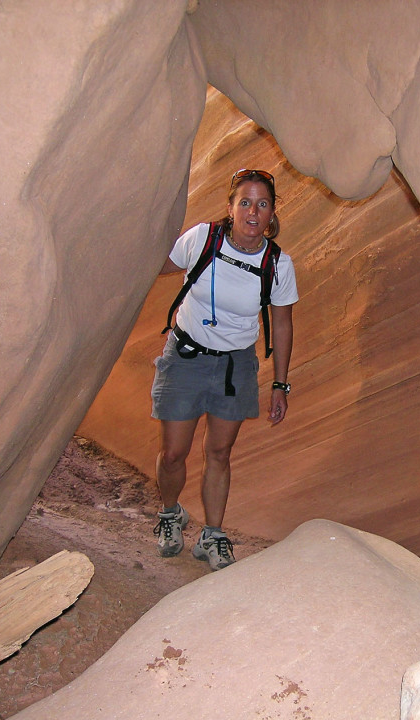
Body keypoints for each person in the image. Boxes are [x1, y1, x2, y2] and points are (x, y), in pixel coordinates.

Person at [150, 168, 298, 570]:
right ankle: (170, 513)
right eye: (245, 202)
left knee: (219, 451)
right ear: (230, 207)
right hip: (185, 356)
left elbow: (281, 323)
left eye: (262, 204)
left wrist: (281, 384)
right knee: (174, 452)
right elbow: (157, 263)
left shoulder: (278, 265)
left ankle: (212, 534)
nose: (253, 212)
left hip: (235, 366)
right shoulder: (202, 239)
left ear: (272, 213)